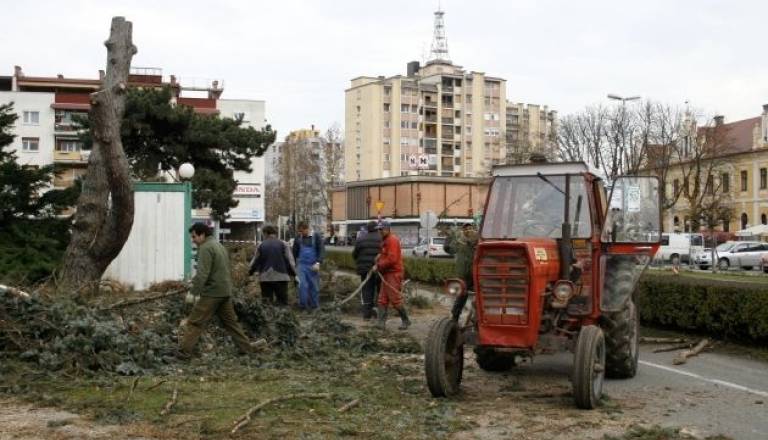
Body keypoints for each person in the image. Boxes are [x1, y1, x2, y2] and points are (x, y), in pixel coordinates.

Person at [179, 222, 252, 358]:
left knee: (195, 322)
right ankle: (246, 349)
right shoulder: (219, 246)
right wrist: (194, 283)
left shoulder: (205, 248)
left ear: (202, 234)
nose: (193, 240)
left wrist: (193, 292)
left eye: (194, 237)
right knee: (232, 323)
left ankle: (184, 352)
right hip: (225, 291)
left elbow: (203, 274)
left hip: (212, 292)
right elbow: (218, 269)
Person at [373, 220, 410, 330]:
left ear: (387, 229)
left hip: (394, 273)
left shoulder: (392, 240)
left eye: (381, 229)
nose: (379, 231)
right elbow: (385, 255)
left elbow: (392, 259)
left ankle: (406, 320)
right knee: (382, 299)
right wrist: (379, 257)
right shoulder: (385, 240)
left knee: (395, 299)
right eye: (378, 229)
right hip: (386, 273)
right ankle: (381, 323)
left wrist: (378, 265)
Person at [249, 225, 297, 306]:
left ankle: (269, 314)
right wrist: (294, 274)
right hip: (281, 277)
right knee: (282, 302)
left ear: (265, 233)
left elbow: (255, 261)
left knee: (267, 303)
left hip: (265, 277)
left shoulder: (261, 245)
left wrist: (250, 272)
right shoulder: (283, 244)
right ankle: (282, 313)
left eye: (263, 234)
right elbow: (290, 261)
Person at [443, 222, 479, 321]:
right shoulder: (460, 243)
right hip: (463, 275)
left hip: (476, 274)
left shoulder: (478, 241)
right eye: (466, 229)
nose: (468, 230)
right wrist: (449, 238)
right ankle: (455, 317)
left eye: (470, 228)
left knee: (480, 296)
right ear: (463, 231)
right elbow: (450, 249)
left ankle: (476, 317)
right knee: (461, 296)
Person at [292, 221, 325, 310]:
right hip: (301, 266)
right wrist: (294, 268)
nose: (300, 233)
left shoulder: (316, 236)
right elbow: (294, 253)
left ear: (307, 229)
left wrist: (318, 263)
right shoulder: (298, 238)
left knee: (313, 286)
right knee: (302, 286)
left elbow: (321, 250)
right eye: (299, 231)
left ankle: (314, 306)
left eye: (302, 231)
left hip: (313, 266)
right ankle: (303, 306)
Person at [352, 220, 382, 320]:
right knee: (380, 290)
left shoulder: (360, 239)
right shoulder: (382, 238)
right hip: (379, 269)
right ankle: (379, 312)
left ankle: (366, 315)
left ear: (367, 229)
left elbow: (354, 254)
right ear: (377, 228)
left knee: (367, 290)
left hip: (365, 270)